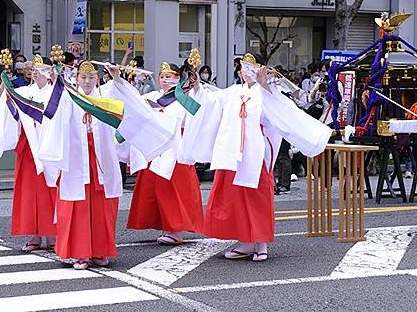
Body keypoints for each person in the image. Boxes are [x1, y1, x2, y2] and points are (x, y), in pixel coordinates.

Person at [180, 54, 331, 261]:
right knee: (235, 196)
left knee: (257, 195)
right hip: (233, 151)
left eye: (250, 68)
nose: (245, 72)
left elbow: (279, 110)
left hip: (256, 151)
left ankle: (261, 242)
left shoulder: (268, 91)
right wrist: (197, 85)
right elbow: (210, 101)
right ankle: (245, 240)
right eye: (243, 68)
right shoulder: (234, 92)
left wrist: (265, 86)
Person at [38, 61, 122, 270]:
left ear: (97, 78)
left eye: (91, 77)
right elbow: (53, 117)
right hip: (77, 160)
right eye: (83, 78)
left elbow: (124, 104)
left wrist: (117, 77)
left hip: (100, 160)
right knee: (77, 207)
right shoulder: (69, 98)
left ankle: (100, 251)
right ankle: (80, 253)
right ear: (76, 79)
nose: (86, 81)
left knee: (101, 206)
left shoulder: (104, 98)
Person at [126, 62, 204, 245]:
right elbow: (133, 105)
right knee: (154, 189)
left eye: (169, 76)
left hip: (175, 150)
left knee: (173, 190)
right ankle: (163, 224)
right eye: (162, 76)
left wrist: (196, 85)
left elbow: (196, 115)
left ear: (178, 79)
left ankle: (175, 229)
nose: (165, 80)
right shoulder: (152, 96)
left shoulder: (183, 97)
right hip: (154, 150)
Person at [0, 55, 57, 252]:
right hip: (27, 146)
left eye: (40, 68)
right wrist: (4, 85)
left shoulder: (55, 93)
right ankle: (34, 233)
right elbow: (3, 103)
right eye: (33, 68)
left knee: (49, 190)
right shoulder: (24, 91)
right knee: (29, 192)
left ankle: (52, 233)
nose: (35, 71)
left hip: (48, 146)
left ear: (49, 72)